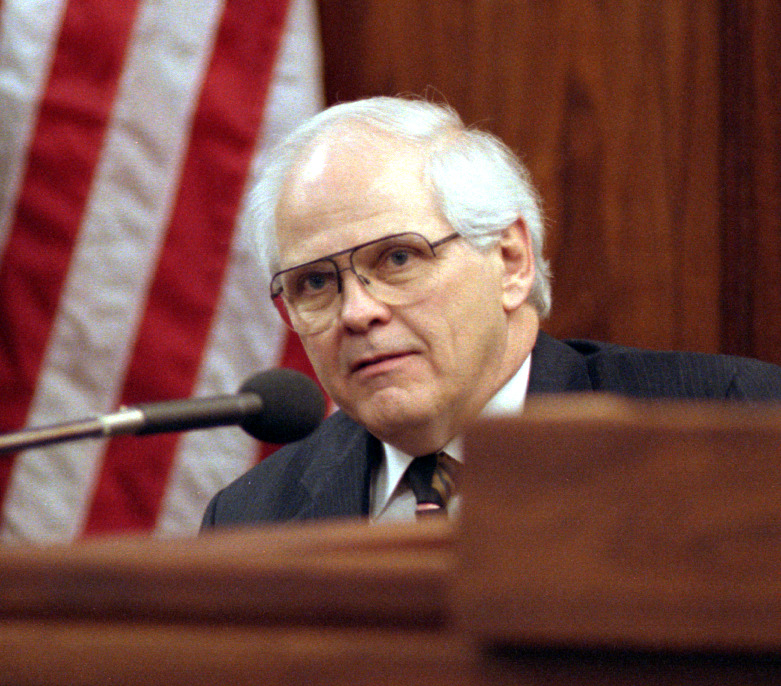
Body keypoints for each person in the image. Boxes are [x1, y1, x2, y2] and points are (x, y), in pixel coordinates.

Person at [201, 96, 781, 527]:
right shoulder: (250, 518)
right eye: (315, 282)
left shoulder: (735, 424)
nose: (358, 312)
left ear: (510, 261)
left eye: (398, 257)